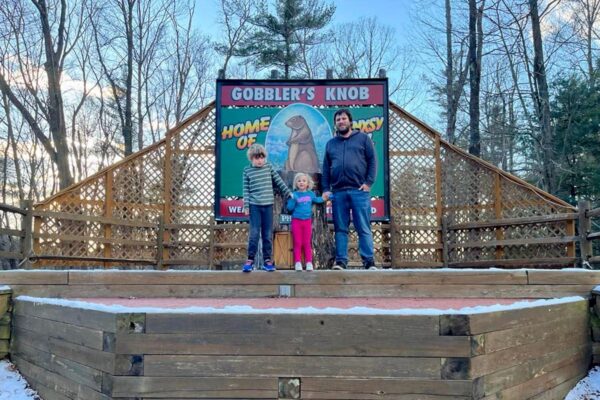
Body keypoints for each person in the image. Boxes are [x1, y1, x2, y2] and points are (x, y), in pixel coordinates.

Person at [322, 109, 377, 270]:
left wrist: (368, 183)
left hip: (359, 191)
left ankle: (369, 262)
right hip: (338, 193)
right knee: (340, 228)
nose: (341, 121)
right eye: (338, 119)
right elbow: (326, 168)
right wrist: (326, 188)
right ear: (335, 123)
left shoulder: (363, 139)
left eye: (344, 118)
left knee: (363, 227)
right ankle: (341, 261)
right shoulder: (331, 144)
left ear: (350, 121)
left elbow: (373, 161)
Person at [242, 144, 292, 272]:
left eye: (262, 157)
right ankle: (250, 260)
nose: (259, 160)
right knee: (254, 233)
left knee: (267, 234)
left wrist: (288, 193)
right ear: (251, 159)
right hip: (254, 206)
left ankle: (267, 261)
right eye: (256, 158)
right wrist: (246, 206)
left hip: (268, 206)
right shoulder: (247, 171)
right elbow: (246, 190)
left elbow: (279, 181)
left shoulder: (268, 168)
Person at [286, 173, 325, 271]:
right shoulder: (294, 194)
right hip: (296, 221)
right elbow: (289, 208)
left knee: (307, 242)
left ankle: (309, 262)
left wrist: (326, 197)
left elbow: (318, 200)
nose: (301, 182)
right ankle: (298, 262)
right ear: (296, 183)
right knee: (298, 242)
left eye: (304, 180)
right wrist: (293, 200)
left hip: (307, 221)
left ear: (308, 183)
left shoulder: (310, 194)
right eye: (299, 181)